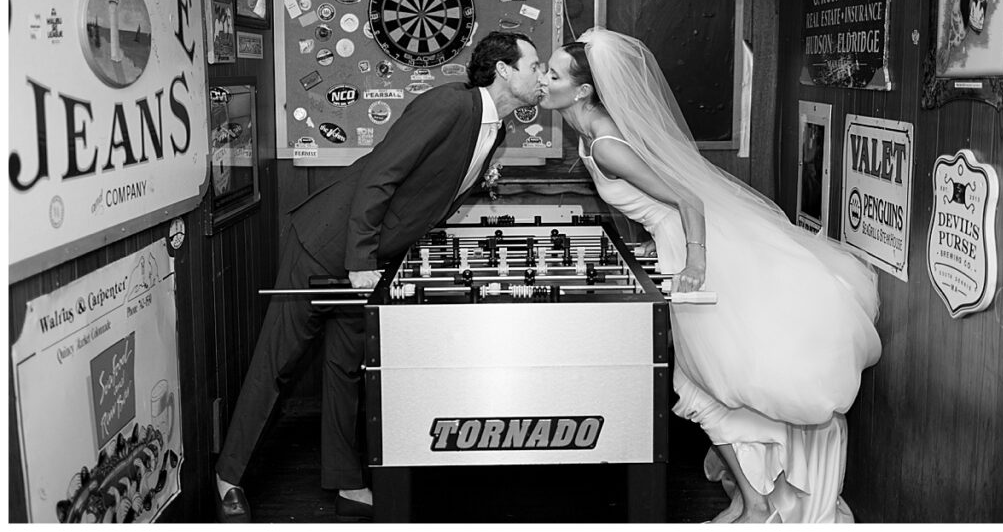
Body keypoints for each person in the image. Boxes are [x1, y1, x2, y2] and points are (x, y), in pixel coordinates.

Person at [538, 28, 881, 523]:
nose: (544, 82)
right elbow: (648, 205)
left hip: (696, 247)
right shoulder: (591, 132)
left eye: (553, 74)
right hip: (675, 243)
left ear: (583, 90)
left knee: (706, 384)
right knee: (701, 385)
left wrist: (696, 261)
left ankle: (759, 501)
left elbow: (686, 199)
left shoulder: (607, 143)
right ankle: (756, 495)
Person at [214, 31, 546, 523]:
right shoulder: (448, 104)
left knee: (348, 368)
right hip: (328, 246)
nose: (540, 76)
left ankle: (346, 480)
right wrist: (362, 260)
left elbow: (433, 190)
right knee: (279, 360)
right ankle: (227, 477)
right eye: (534, 65)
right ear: (504, 69)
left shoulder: (496, 127)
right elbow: (380, 176)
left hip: (369, 257)